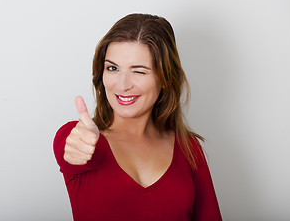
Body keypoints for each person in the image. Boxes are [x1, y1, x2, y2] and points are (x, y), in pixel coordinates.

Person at [53, 13, 222, 221]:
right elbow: (68, 145)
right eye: (112, 68)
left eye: (139, 71)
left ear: (165, 78)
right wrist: (74, 142)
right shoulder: (81, 140)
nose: (123, 85)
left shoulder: (189, 148)